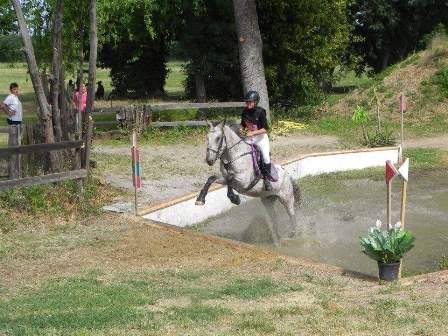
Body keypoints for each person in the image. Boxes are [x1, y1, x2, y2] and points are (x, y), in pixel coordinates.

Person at [241, 90, 274, 191]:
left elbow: (265, 129)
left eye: (249, 102)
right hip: (250, 139)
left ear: (255, 102)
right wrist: (241, 129)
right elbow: (242, 124)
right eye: (247, 102)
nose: (247, 104)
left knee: (265, 157)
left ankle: (267, 179)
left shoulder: (260, 112)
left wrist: (253, 133)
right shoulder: (245, 112)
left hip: (261, 139)